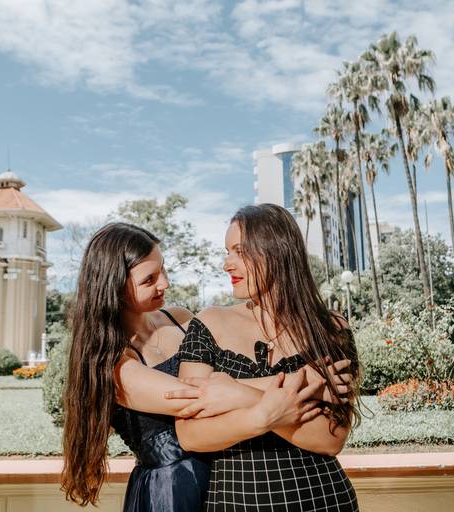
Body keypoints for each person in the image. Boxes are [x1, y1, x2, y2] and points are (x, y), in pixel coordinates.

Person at [60, 222, 343, 511]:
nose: (165, 283)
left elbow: (226, 382)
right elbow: (198, 396)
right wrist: (306, 381)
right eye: (149, 280)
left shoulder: (180, 319)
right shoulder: (114, 365)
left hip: (224, 471)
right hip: (171, 488)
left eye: (163, 269)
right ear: (114, 288)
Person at [176, 204, 362, 511]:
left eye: (239, 251)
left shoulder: (331, 327)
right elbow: (191, 435)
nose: (226, 264)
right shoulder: (209, 323)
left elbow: (331, 439)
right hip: (236, 502)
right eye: (227, 252)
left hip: (322, 499)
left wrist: (241, 393)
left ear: (277, 251)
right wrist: (284, 400)